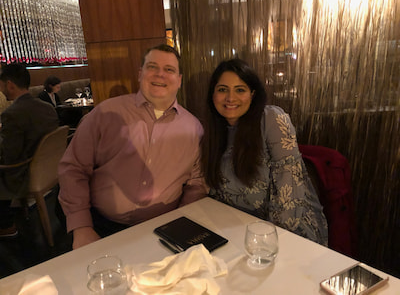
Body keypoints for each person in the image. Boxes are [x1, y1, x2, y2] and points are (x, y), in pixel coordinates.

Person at [58, 44, 207, 249]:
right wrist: (82, 227)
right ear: (140, 74)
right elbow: (73, 169)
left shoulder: (194, 128)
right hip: (100, 227)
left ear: (179, 79)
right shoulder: (105, 114)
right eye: (152, 67)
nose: (160, 74)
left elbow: (197, 183)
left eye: (169, 70)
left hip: (165, 229)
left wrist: (183, 221)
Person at [201, 59, 328, 245]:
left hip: (288, 233)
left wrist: (264, 241)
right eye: (222, 89)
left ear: (252, 94)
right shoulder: (213, 132)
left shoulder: (271, 120)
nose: (230, 97)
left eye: (240, 90)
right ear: (213, 95)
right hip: (237, 229)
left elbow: (289, 198)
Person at [0, 64, 59, 238]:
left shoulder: (12, 113)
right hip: (50, 171)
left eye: (1, 85)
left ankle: (6, 225)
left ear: (10, 85)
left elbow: (10, 157)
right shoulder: (47, 107)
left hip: (27, 175)